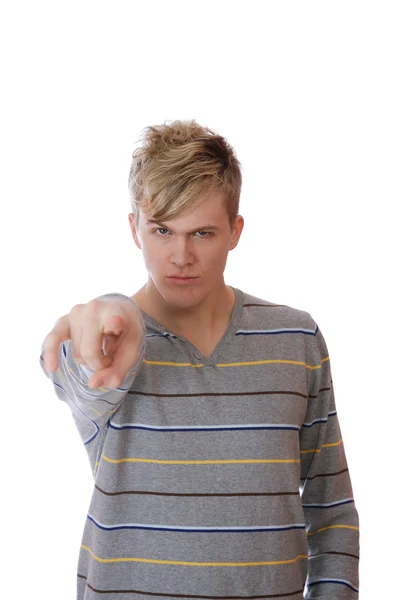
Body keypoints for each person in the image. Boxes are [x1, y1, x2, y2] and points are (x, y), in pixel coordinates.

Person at [40, 119, 360, 599]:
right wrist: (103, 327)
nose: (180, 256)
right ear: (134, 229)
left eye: (203, 233)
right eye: (162, 229)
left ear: (236, 231)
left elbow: (332, 511)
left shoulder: (296, 338)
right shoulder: (109, 344)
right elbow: (82, 379)